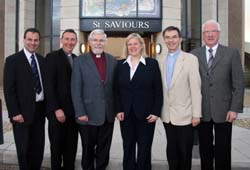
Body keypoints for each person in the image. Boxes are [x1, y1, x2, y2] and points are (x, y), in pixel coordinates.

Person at [191, 20, 244, 170]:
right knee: (205, 150)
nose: (210, 34)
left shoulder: (231, 53)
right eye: (206, 32)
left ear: (219, 33)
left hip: (225, 110)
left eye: (213, 31)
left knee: (223, 149)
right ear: (203, 35)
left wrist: (234, 109)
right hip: (202, 111)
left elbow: (238, 84)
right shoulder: (194, 55)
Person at [114, 33, 163, 170]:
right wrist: (118, 109)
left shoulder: (152, 64)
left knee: (144, 148)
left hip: (146, 115)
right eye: (130, 44)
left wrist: (156, 112)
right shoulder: (120, 65)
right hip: (126, 114)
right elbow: (116, 90)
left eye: (135, 43)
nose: (132, 47)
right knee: (128, 147)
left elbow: (158, 90)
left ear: (142, 45)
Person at [71, 29, 117, 170]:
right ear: (90, 42)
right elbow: (75, 88)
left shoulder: (112, 60)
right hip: (87, 115)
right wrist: (80, 112)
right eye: (95, 40)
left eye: (101, 40)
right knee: (88, 150)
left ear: (105, 42)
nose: (98, 43)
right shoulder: (79, 61)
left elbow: (115, 88)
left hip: (107, 115)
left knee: (104, 150)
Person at [157, 26, 201, 170]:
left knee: (184, 152)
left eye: (174, 37)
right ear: (164, 40)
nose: (171, 40)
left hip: (186, 115)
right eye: (168, 37)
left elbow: (195, 89)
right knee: (171, 151)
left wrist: (196, 115)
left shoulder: (190, 59)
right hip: (167, 115)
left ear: (180, 39)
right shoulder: (160, 60)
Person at [3, 28, 46, 170]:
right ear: (24, 39)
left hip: (39, 112)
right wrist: (14, 113)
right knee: (24, 151)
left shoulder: (42, 60)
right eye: (30, 39)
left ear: (39, 41)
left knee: (38, 150)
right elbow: (9, 90)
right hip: (21, 114)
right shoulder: (12, 61)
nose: (32, 43)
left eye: (35, 40)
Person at [45, 29, 78, 170]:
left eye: (72, 39)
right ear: (61, 40)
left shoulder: (77, 59)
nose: (69, 42)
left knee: (71, 151)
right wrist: (56, 109)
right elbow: (48, 85)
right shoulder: (52, 57)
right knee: (57, 151)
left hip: (74, 115)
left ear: (76, 42)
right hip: (57, 114)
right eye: (67, 39)